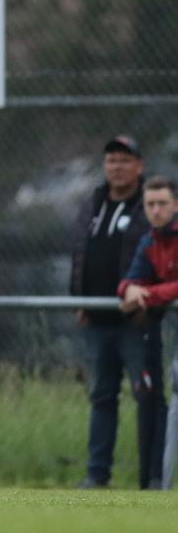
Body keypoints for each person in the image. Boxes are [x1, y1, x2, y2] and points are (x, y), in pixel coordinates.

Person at [70, 136, 164, 490]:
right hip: (98, 318)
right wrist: (80, 300)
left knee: (148, 397)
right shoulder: (94, 204)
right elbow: (81, 253)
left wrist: (147, 299)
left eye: (124, 160)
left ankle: (152, 476)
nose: (117, 167)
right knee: (101, 396)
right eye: (111, 160)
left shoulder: (149, 206)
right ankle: (97, 474)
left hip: (136, 320)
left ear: (139, 166)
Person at [116, 175, 174, 490]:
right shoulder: (150, 241)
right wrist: (129, 290)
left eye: (162, 203)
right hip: (161, 327)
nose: (156, 210)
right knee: (154, 396)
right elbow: (131, 279)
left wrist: (148, 294)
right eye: (150, 204)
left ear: (175, 204)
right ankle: (154, 480)